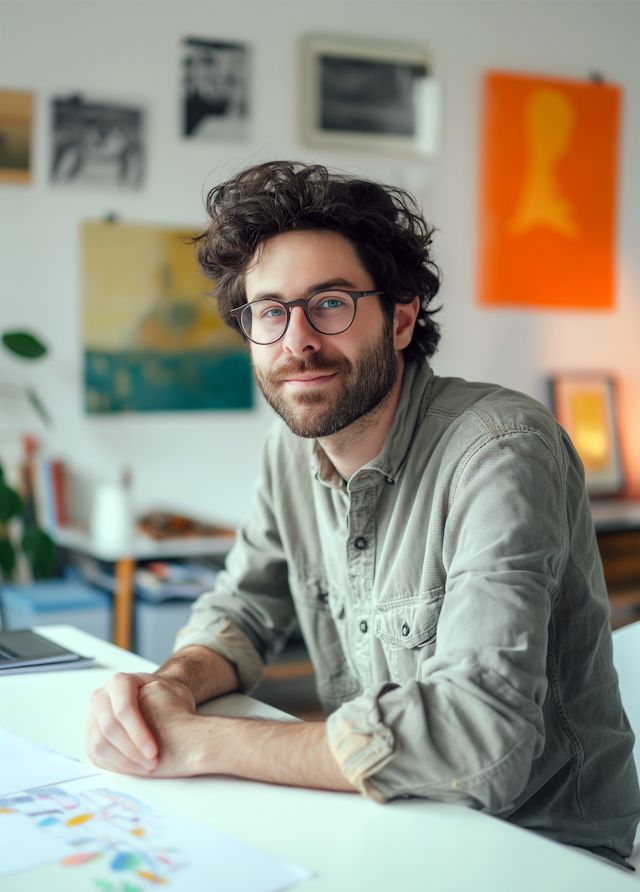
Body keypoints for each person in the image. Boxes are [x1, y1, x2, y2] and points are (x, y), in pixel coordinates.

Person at [87, 160, 640, 868]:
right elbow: (245, 609)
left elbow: (481, 741)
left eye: (331, 303)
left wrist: (201, 742)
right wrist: (170, 686)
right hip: (390, 823)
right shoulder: (291, 452)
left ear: (402, 316)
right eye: (270, 312)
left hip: (542, 853)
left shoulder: (501, 451)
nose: (298, 342)